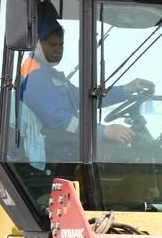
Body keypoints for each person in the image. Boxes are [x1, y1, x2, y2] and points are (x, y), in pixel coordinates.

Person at [20, 17, 153, 149]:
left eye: (61, 44)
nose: (58, 49)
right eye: (52, 44)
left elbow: (82, 98)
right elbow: (58, 120)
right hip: (58, 151)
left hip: (71, 143)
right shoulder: (34, 77)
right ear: (36, 44)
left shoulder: (48, 73)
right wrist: (103, 131)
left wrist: (125, 89)